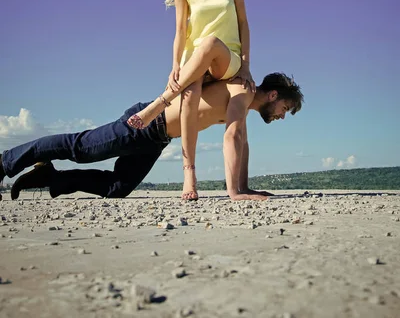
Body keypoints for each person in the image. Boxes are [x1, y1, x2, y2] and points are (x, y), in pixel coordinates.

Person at [0, 73, 303, 202]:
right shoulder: (244, 91)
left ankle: (50, 178)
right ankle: (5, 163)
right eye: (284, 108)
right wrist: (234, 193)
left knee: (117, 188)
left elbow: (242, 143)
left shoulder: (244, 105)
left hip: (156, 141)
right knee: (79, 148)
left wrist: (245, 185)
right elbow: (232, 138)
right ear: (274, 94)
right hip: (145, 123)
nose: (281, 115)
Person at [139, 0, 255, 201]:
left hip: (227, 58)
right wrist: (175, 66)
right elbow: (180, 31)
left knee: (211, 41)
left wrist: (247, 65)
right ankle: (189, 175)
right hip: (194, 61)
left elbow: (243, 23)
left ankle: (161, 102)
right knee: (189, 94)